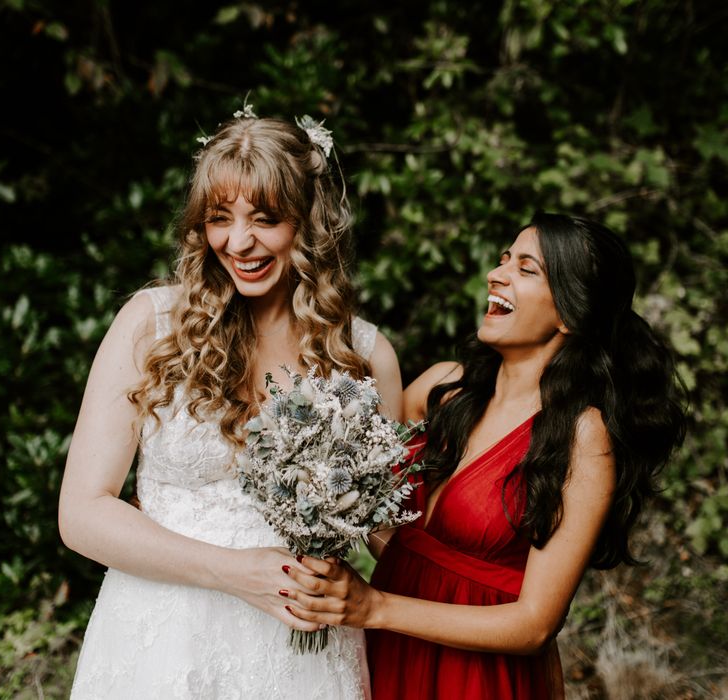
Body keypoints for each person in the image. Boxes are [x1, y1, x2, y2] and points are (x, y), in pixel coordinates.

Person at [58, 111, 402, 699]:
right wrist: (236, 573)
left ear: (310, 222)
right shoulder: (154, 326)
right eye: (220, 218)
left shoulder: (363, 356)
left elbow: (388, 532)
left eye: (264, 219)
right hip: (159, 640)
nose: (237, 243)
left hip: (301, 654)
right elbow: (82, 514)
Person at [281, 212, 687, 699]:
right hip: (389, 651)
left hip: (476, 678)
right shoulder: (441, 390)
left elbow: (535, 625)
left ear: (569, 312)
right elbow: (368, 504)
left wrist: (376, 606)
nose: (497, 274)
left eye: (526, 268)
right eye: (503, 259)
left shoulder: (582, 436)